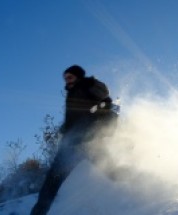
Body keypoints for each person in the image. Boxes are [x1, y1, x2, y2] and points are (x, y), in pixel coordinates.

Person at [30, 65, 116, 215]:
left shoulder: (86, 86)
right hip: (72, 144)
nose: (67, 80)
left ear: (78, 76)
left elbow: (105, 97)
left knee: (113, 173)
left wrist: (91, 84)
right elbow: (77, 117)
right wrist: (64, 129)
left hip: (89, 142)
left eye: (70, 77)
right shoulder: (73, 93)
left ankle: (143, 182)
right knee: (51, 183)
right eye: (65, 78)